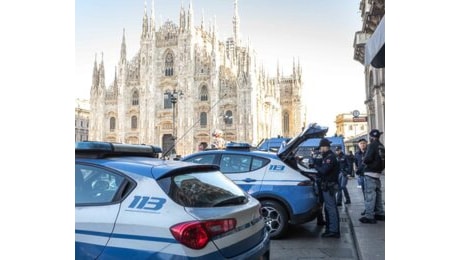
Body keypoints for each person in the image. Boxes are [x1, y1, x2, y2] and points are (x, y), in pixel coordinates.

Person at [309, 138, 340, 238]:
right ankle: (330, 228)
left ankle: (334, 230)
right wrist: (314, 161)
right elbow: (321, 164)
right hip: (327, 185)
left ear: (325, 147)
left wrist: (314, 165)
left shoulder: (330, 157)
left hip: (329, 186)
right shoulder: (327, 156)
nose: (320, 150)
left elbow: (324, 170)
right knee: (328, 208)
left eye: (321, 148)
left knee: (331, 208)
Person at [359, 129, 385, 224]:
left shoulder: (372, 145)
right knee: (378, 194)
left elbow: (367, 158)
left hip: (370, 173)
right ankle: (380, 213)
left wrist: (364, 161)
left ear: (371, 137)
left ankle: (369, 216)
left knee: (370, 195)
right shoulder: (381, 146)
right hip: (378, 174)